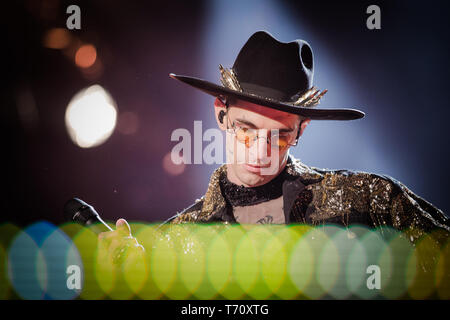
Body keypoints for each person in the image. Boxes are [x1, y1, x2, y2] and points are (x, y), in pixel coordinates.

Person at [99, 31, 449, 261]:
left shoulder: (372, 203)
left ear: (301, 129)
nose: (260, 153)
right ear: (221, 114)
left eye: (280, 134)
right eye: (246, 129)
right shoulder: (169, 247)